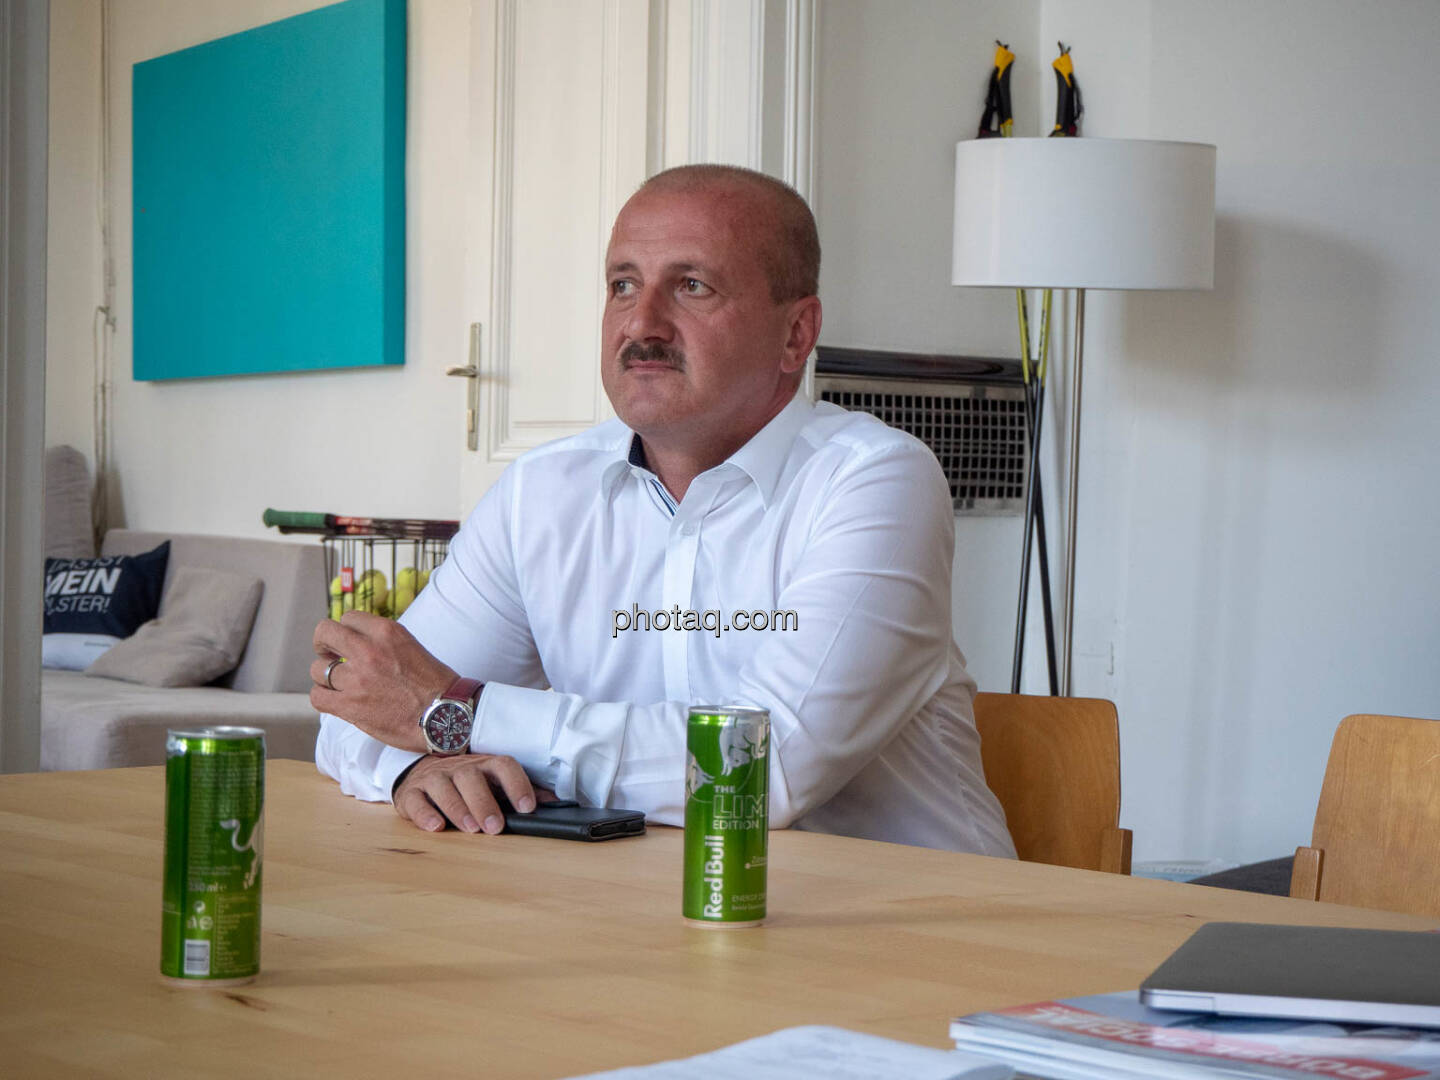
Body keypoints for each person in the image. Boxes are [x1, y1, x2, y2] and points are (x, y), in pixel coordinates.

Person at [312, 164, 1015, 857]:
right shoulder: (540, 493)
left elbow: (760, 768)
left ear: (796, 335)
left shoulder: (874, 480)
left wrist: (456, 716)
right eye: (623, 285)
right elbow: (365, 708)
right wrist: (418, 766)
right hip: (648, 910)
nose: (641, 323)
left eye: (692, 286)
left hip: (910, 916)